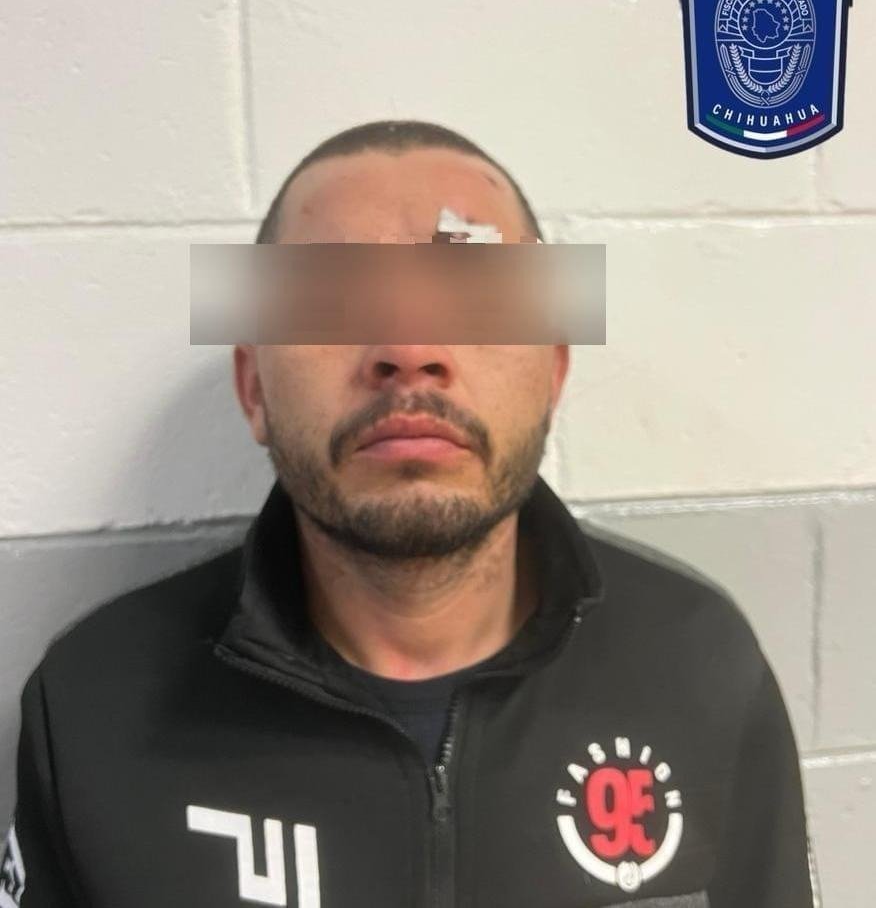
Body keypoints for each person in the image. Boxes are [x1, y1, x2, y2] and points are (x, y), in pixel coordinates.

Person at [2, 121, 818, 907]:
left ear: (552, 373)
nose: (409, 349)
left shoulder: (703, 664)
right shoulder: (92, 708)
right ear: (254, 389)